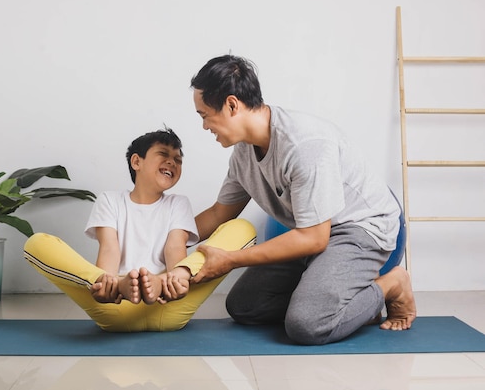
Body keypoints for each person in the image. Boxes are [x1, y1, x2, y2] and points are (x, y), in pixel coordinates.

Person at [189, 54, 417, 345]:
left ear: (232, 104)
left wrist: (230, 260)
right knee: (244, 306)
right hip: (315, 233)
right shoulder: (244, 153)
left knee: (307, 325)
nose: (205, 126)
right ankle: (344, 303)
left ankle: (391, 284)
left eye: (204, 115)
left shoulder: (305, 145)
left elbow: (314, 239)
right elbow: (219, 213)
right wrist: (166, 237)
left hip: (360, 227)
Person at [23, 127, 256, 332]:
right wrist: (108, 285)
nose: (172, 162)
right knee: (36, 243)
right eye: (163, 154)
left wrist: (169, 284)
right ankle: (115, 284)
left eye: (178, 159)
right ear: (137, 162)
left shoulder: (178, 203)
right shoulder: (110, 201)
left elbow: (175, 248)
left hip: (168, 304)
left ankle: (162, 282)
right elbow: (110, 250)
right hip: (116, 306)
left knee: (241, 228)